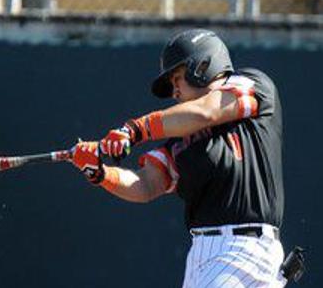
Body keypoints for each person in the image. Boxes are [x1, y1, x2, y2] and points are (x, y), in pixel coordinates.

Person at [71, 28, 288, 287]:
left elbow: (207, 111)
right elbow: (145, 185)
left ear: (203, 65)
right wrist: (101, 174)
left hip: (243, 249)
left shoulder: (253, 84)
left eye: (177, 80)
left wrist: (135, 129)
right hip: (204, 252)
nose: (174, 93)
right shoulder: (183, 139)